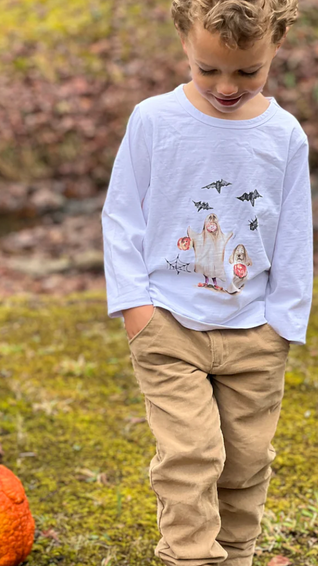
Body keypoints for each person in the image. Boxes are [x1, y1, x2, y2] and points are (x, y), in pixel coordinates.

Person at [101, 0, 313, 564]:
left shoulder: (284, 134)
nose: (225, 86)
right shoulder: (153, 121)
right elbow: (122, 215)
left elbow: (294, 231)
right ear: (183, 43)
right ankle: (190, 557)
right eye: (207, 69)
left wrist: (283, 323)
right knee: (191, 454)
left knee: (246, 460)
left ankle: (236, 553)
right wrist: (134, 308)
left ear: (276, 49)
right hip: (168, 324)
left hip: (256, 333)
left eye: (247, 72)